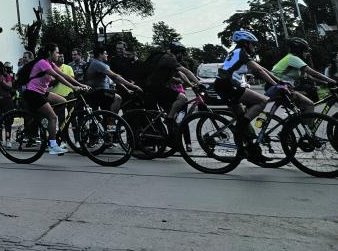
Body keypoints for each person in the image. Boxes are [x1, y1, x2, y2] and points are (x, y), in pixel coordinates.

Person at [213, 30, 281, 160]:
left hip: (225, 84)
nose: (253, 47)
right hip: (228, 85)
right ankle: (240, 133)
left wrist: (278, 81)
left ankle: (252, 151)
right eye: (252, 44)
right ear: (245, 44)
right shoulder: (241, 53)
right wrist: (275, 85)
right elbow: (258, 70)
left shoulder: (237, 52)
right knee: (262, 101)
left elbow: (262, 68)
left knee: (243, 116)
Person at [20, 43, 88, 155]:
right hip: (33, 93)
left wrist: (80, 85)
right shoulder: (43, 63)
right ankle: (52, 145)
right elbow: (57, 77)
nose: (58, 54)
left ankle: (47, 121)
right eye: (56, 52)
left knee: (63, 101)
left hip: (42, 92)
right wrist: (73, 87)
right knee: (53, 117)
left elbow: (65, 75)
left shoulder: (50, 63)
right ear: (49, 53)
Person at [270, 38, 337, 110]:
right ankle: (305, 119)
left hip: (280, 86)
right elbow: (312, 72)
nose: (307, 53)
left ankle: (299, 120)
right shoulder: (292, 58)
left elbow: (309, 77)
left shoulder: (292, 60)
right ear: (299, 50)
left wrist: (325, 83)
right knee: (309, 105)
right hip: (279, 87)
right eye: (306, 51)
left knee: (303, 107)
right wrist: (332, 81)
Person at [143, 42, 200, 120]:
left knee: (172, 109)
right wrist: (199, 83)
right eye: (181, 54)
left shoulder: (169, 59)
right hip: (155, 88)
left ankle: (172, 123)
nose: (182, 56)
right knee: (182, 98)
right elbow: (185, 71)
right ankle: (169, 119)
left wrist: (192, 85)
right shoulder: (168, 58)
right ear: (178, 53)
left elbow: (181, 74)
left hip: (158, 87)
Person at [85, 45, 141, 112]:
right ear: (100, 54)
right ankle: (112, 119)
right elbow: (115, 76)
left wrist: (127, 89)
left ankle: (107, 120)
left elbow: (113, 79)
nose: (107, 55)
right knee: (118, 99)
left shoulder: (101, 64)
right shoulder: (97, 64)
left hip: (101, 91)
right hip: (97, 91)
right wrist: (133, 86)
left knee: (106, 110)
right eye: (105, 53)